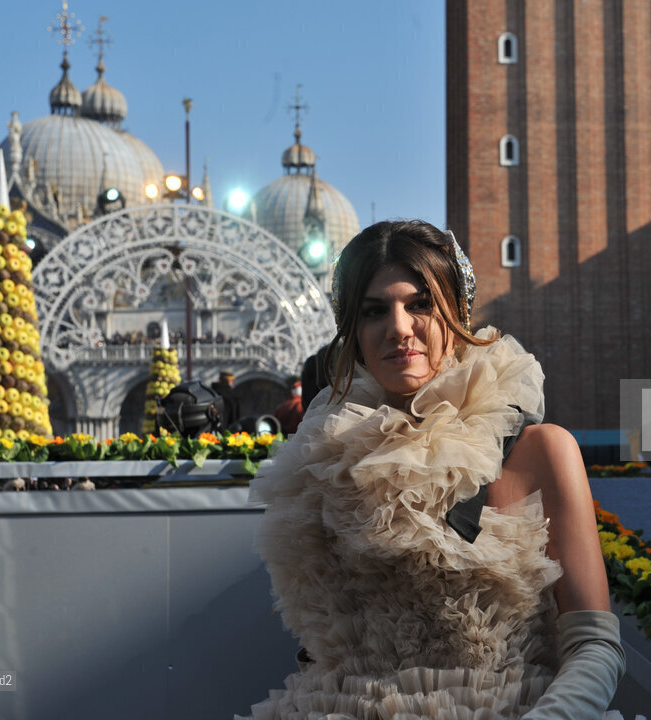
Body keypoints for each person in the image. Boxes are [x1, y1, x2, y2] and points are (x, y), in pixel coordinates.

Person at [241, 220, 625, 719]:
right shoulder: (323, 459)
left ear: (456, 312)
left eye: (419, 304)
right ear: (354, 333)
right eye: (374, 311)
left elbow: (596, 647)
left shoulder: (541, 452)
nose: (398, 328)